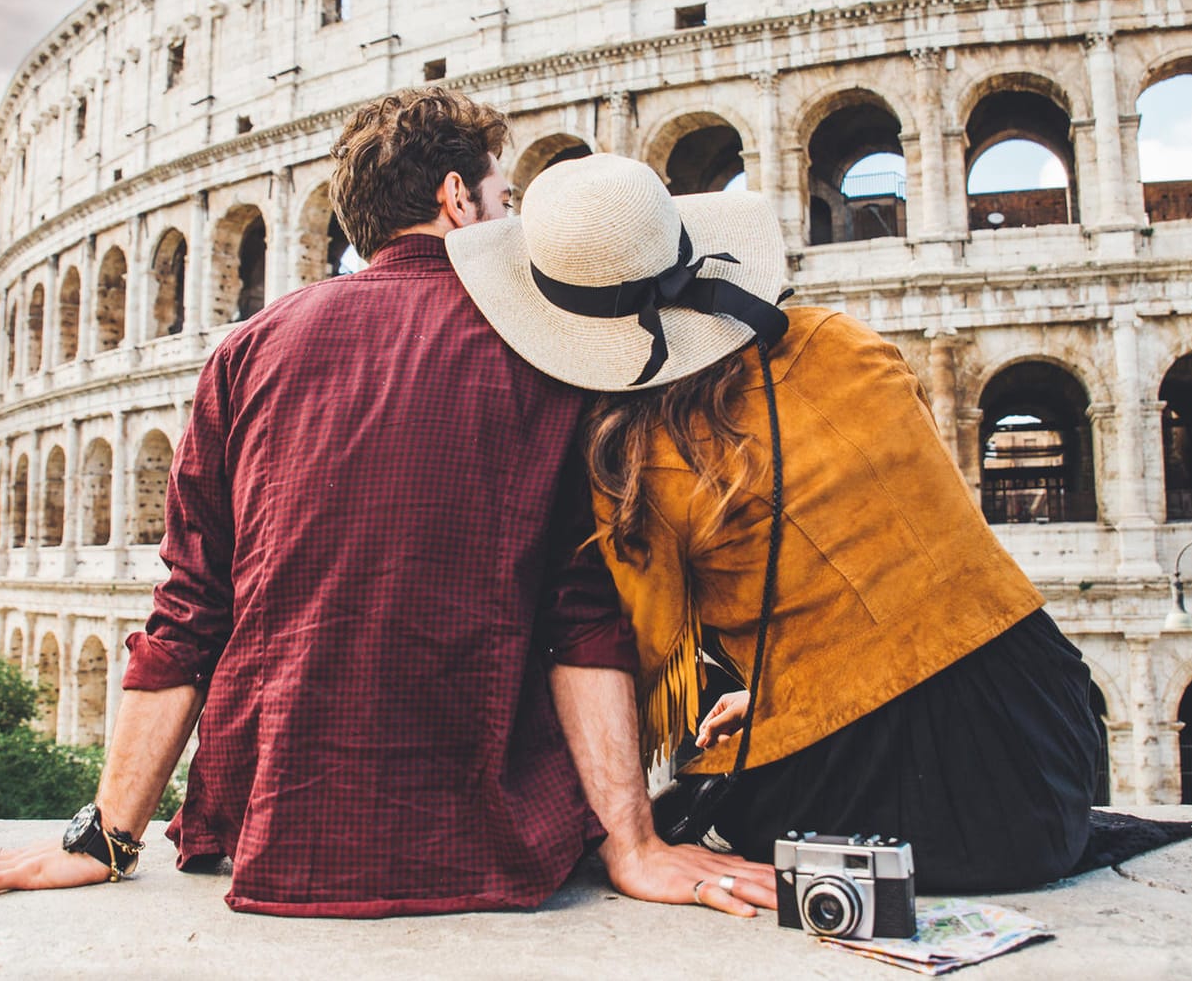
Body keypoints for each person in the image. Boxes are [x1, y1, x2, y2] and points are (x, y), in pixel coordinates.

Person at [0, 90, 774, 917]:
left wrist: (105, 837)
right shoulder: (548, 351)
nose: (508, 215)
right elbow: (579, 617)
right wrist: (633, 843)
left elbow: (187, 611)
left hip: (273, 832)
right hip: (493, 837)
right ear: (457, 200)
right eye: (503, 196)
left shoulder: (244, 352)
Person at [447, 154, 1100, 891]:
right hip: (1046, 747)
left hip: (879, 804)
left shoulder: (637, 456)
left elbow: (645, 656)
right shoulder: (843, 340)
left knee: (713, 789)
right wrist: (792, 686)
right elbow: (895, 560)